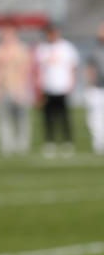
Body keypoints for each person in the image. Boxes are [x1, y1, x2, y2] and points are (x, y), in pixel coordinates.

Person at [33, 22, 80, 158]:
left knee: (64, 116)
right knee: (48, 117)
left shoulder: (67, 47)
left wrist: (72, 84)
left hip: (62, 87)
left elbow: (73, 67)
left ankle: (67, 142)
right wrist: (38, 88)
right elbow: (38, 70)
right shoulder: (42, 49)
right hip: (48, 88)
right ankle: (50, 142)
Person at [0, 22, 33, 156]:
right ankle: (7, 146)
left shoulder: (21, 49)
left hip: (19, 88)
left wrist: (24, 89)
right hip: (4, 88)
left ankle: (22, 146)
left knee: (21, 119)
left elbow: (27, 70)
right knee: (3, 119)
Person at [85, 24, 104, 155]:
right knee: (96, 117)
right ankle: (99, 143)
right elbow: (90, 70)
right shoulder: (95, 51)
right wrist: (89, 86)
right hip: (98, 88)